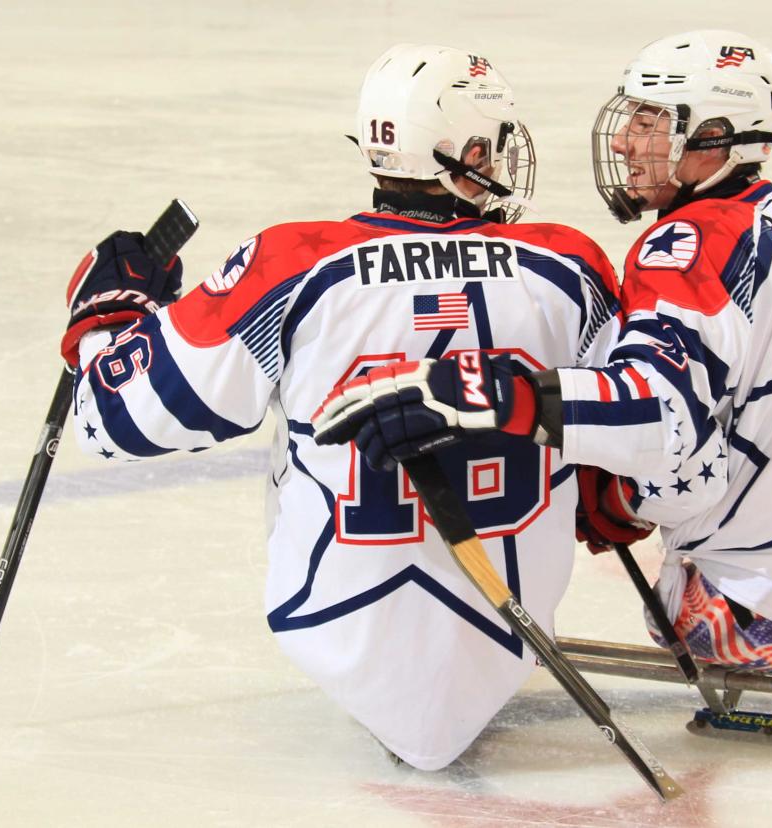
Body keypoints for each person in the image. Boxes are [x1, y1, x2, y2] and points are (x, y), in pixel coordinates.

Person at [312, 30, 772, 675]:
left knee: (600, 407)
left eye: (650, 124)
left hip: (733, 613)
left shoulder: (690, 247)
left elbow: (661, 424)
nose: (624, 144)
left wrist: (491, 395)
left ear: (715, 137)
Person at [61, 43, 624, 770]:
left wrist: (110, 315)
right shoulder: (568, 265)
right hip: (507, 630)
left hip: (338, 627)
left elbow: (112, 420)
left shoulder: (292, 265)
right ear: (468, 153)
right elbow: (643, 428)